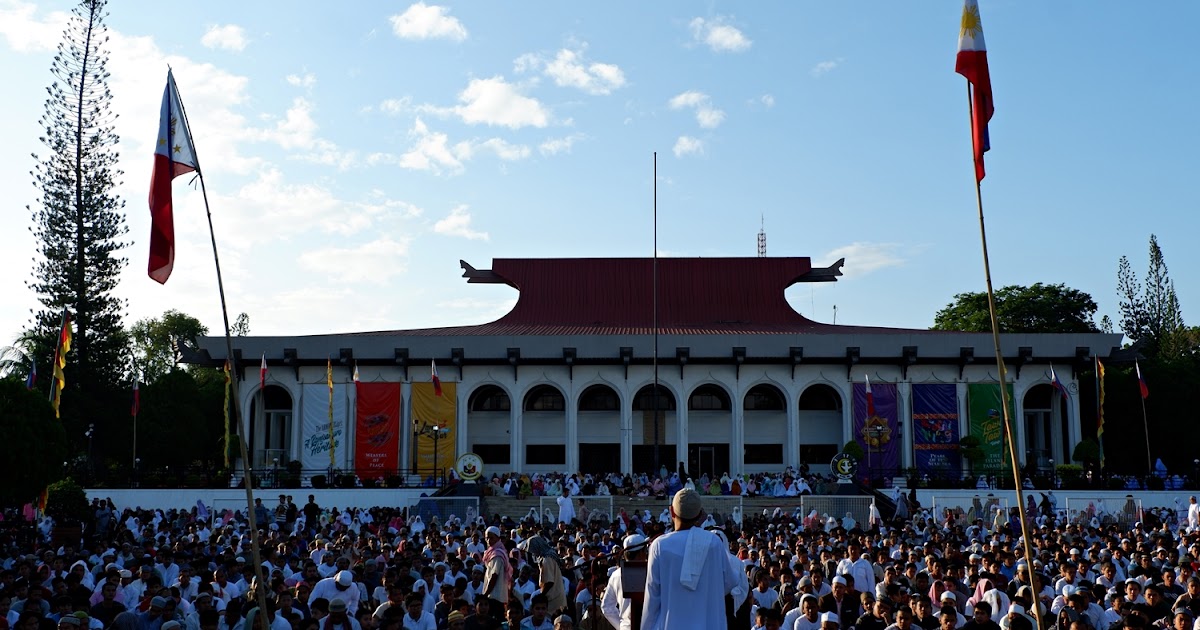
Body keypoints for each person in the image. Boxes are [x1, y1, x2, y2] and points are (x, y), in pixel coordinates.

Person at [641, 488, 739, 629]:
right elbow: (730, 581)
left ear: (671, 511)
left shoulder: (660, 545)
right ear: (700, 514)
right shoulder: (713, 542)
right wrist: (705, 591)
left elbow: (652, 596)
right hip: (707, 623)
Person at [600, 534, 647, 630]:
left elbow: (606, 607)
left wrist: (622, 625)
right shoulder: (651, 573)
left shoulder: (615, 575)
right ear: (641, 553)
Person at [482, 527, 511, 622]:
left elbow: (494, 576)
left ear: (498, 539)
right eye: (487, 538)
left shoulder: (497, 555)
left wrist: (485, 595)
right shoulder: (493, 552)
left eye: (491, 538)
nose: (489, 540)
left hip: (495, 596)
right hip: (495, 595)